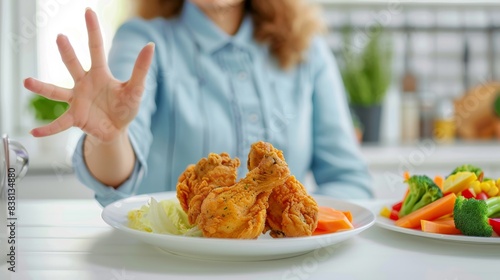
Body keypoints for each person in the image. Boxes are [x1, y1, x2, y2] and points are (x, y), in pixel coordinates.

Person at [24, 0, 373, 206]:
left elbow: (349, 182)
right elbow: (116, 181)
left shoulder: (307, 50)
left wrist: (298, 231)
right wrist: (109, 135)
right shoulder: (144, 40)